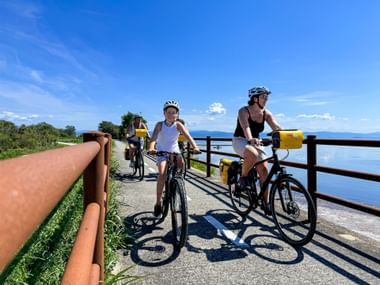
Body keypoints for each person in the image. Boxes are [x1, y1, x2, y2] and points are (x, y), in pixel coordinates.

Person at [232, 86, 282, 215]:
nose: (266, 99)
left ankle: (265, 203)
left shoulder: (266, 113)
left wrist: (288, 135)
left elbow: (276, 127)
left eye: (267, 97)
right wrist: (250, 139)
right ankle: (243, 178)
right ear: (255, 99)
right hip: (240, 140)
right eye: (263, 97)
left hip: (257, 141)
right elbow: (245, 126)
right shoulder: (243, 111)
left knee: (264, 171)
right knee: (252, 153)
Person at [148, 100, 201, 217]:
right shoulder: (159, 125)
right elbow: (153, 138)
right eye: (169, 112)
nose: (171, 115)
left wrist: (195, 147)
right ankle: (158, 203)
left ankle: (178, 184)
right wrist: (152, 148)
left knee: (181, 163)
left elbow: (188, 136)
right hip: (162, 151)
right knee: (162, 173)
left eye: (173, 112)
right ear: (164, 113)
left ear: (177, 114)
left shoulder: (178, 125)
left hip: (174, 150)